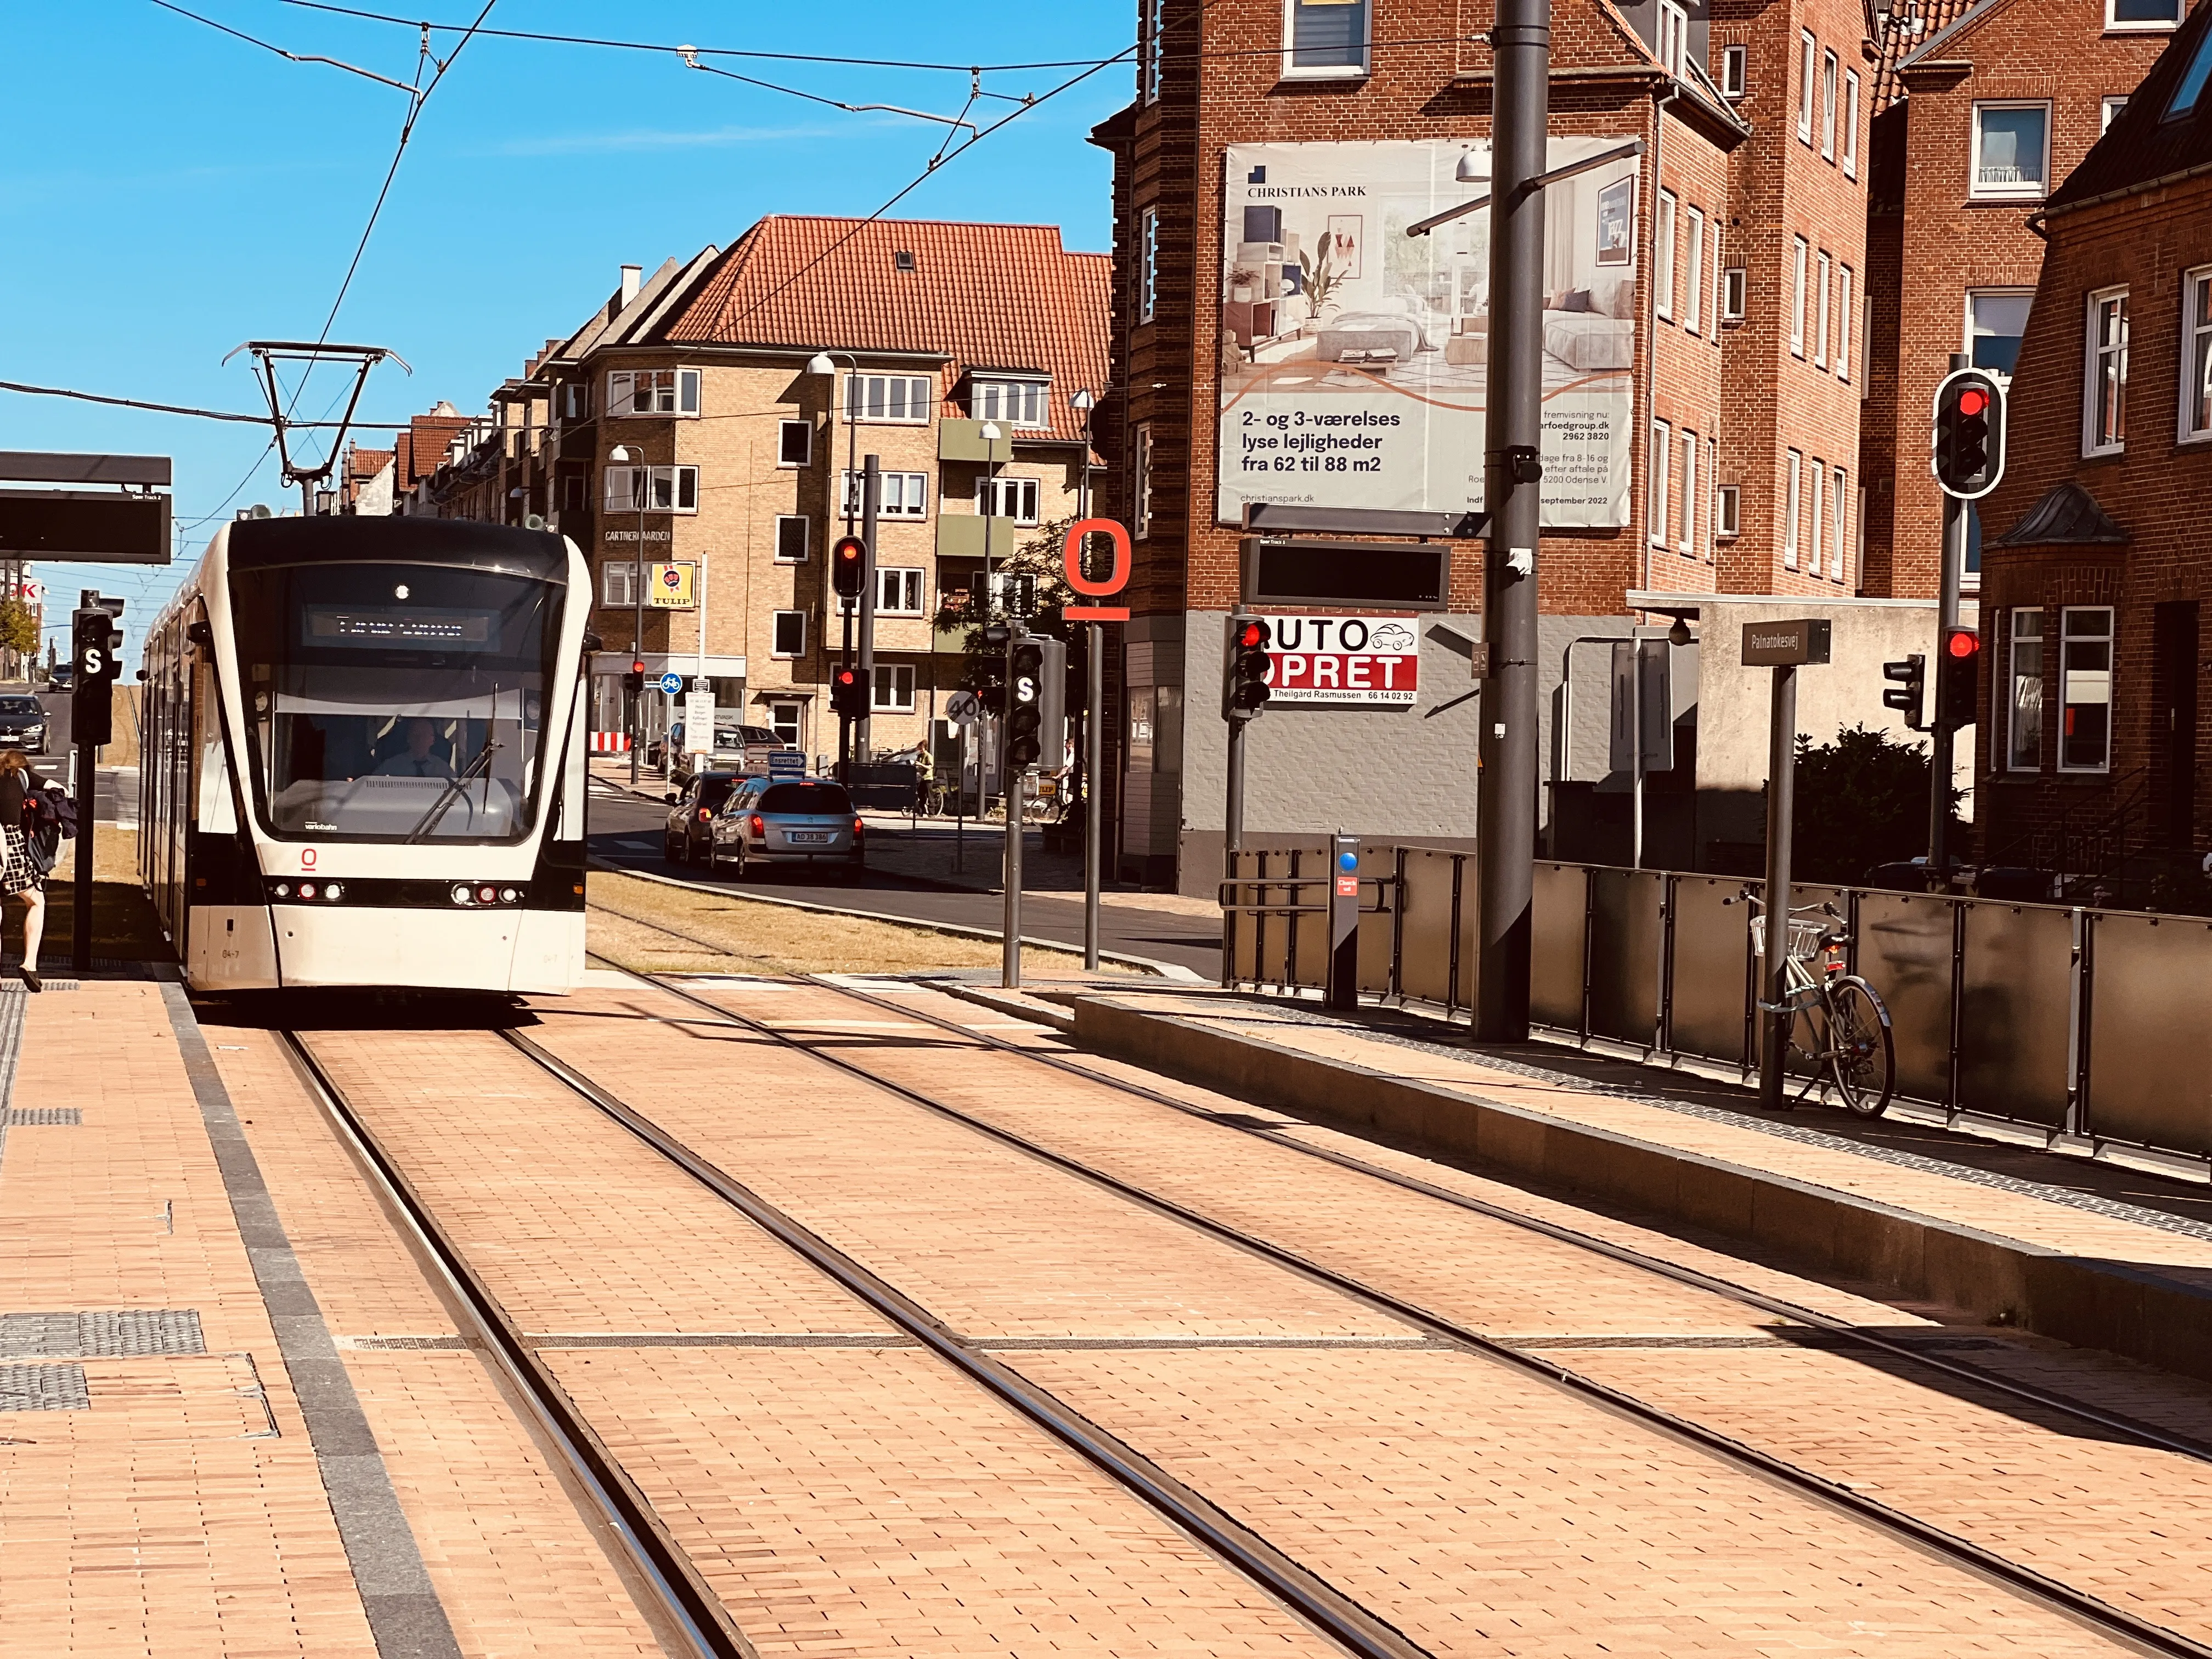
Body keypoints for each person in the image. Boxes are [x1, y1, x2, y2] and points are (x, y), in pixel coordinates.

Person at [0, 751, 48, 991]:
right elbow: (54, 787)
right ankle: (29, 964)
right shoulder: (20, 776)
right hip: (9, 845)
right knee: (35, 899)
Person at [375, 717, 456, 780]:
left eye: (425, 736)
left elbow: (457, 791)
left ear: (433, 740)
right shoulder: (391, 766)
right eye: (416, 735)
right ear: (408, 739)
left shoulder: (443, 769)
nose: (420, 740)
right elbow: (372, 786)